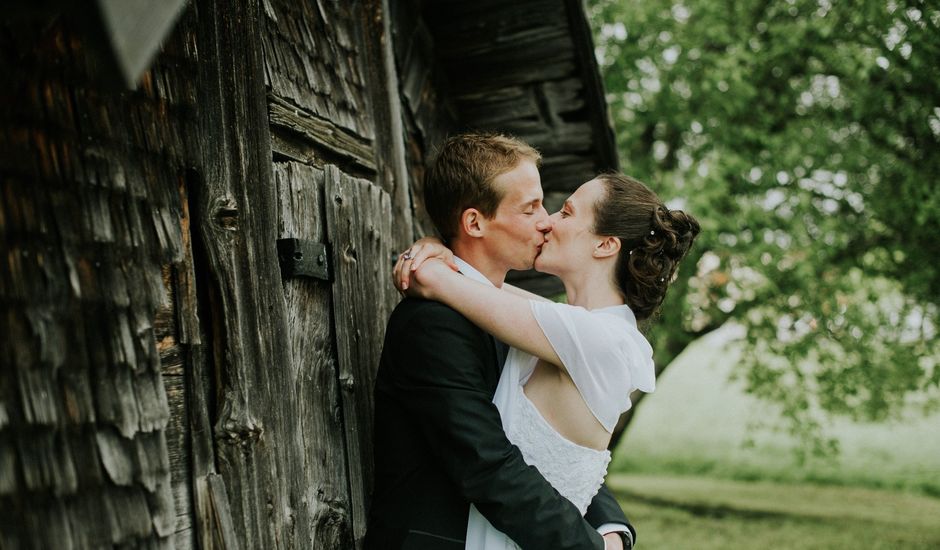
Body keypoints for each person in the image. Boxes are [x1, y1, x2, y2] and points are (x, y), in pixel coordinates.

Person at [393, 171, 701, 548]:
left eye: (567, 213)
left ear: (605, 245)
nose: (548, 222)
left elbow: (436, 279)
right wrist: (443, 251)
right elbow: (485, 287)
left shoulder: (594, 339)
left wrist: (429, 258)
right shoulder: (572, 328)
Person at [365, 133, 637, 549]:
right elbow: (488, 465)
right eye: (530, 208)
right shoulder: (432, 325)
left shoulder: (520, 323)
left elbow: (557, 450)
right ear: (475, 223)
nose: (546, 220)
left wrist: (610, 528)